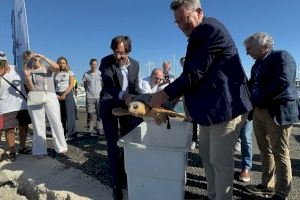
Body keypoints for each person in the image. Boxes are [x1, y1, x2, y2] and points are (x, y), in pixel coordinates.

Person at [149, 1, 253, 199]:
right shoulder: (199, 34)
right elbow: (195, 77)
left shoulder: (208, 29)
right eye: (177, 22)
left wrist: (163, 94)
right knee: (207, 157)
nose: (181, 25)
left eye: (185, 18)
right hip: (208, 112)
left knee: (220, 162)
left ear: (199, 12)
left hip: (225, 108)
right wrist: (173, 99)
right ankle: (213, 195)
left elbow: (193, 74)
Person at [243, 32, 299, 199]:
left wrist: (256, 99)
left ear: (262, 46)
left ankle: (282, 192)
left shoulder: (282, 56)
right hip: (260, 111)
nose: (247, 52)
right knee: (264, 149)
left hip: (277, 111)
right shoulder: (256, 65)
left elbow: (282, 82)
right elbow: (250, 85)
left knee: (280, 152)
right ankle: (268, 184)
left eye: (249, 48)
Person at [99, 35, 143, 200]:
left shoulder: (136, 64)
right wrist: (123, 94)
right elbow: (109, 85)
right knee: (112, 144)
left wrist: (146, 99)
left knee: (128, 142)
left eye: (121, 53)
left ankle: (125, 175)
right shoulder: (106, 62)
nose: (118, 56)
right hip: (109, 105)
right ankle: (116, 183)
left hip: (127, 107)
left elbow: (135, 87)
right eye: (115, 52)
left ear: (128, 51)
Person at [23, 50, 68, 159]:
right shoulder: (28, 70)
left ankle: (61, 147)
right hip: (36, 96)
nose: (33, 60)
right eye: (29, 59)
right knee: (38, 124)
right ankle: (39, 150)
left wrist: (43, 57)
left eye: (33, 57)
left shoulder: (47, 68)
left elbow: (57, 67)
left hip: (50, 95)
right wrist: (28, 76)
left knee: (56, 122)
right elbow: (30, 88)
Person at [0, 51, 31, 161]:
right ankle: (12, 151)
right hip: (6, 105)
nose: (1, 64)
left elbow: (26, 83)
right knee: (9, 129)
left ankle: (22, 147)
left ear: (6, 60)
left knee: (24, 126)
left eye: (2, 61)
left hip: (21, 104)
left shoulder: (16, 69)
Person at [54, 56, 77, 140]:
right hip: (57, 95)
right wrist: (56, 95)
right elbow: (54, 85)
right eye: (60, 63)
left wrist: (64, 94)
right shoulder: (55, 74)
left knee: (69, 115)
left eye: (63, 63)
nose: (62, 64)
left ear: (66, 64)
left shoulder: (70, 72)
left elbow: (71, 85)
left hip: (67, 94)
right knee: (60, 115)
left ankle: (72, 134)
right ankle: (62, 133)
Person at [180, 57, 198, 150]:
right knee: (190, 120)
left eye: (184, 63)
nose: (183, 65)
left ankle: (196, 139)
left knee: (197, 120)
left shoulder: (195, 72)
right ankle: (193, 139)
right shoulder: (182, 75)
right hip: (185, 100)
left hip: (196, 100)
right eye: (182, 64)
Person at [82, 58, 102, 135]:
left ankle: (99, 128)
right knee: (90, 112)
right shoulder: (86, 74)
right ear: (90, 64)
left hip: (99, 96)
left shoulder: (100, 74)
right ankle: (90, 128)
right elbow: (85, 85)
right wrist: (88, 92)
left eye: (95, 64)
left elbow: (102, 84)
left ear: (97, 65)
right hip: (89, 96)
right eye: (92, 64)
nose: (94, 66)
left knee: (99, 113)